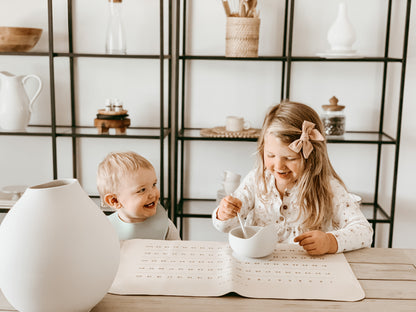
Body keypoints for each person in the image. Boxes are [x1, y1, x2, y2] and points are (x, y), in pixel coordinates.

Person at [212, 101, 373, 255]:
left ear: (311, 156)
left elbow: (364, 231)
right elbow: (225, 227)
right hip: (259, 269)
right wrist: (224, 213)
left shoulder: (326, 186)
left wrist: (330, 242)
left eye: (290, 158)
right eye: (271, 155)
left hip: (308, 273)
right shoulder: (257, 179)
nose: (279, 165)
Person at [97, 151, 180, 240]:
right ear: (115, 200)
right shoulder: (105, 230)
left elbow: (178, 252)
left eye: (154, 184)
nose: (152, 194)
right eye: (142, 190)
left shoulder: (165, 226)